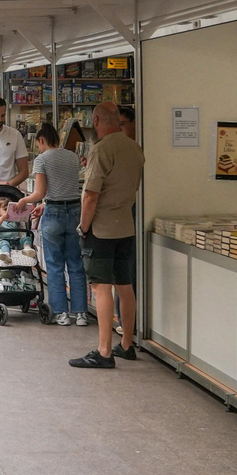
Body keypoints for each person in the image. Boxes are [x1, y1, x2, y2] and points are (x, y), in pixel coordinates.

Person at [69, 102, 144, 369]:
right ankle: (126, 344)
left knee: (101, 287)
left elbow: (90, 195)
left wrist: (83, 227)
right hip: (125, 225)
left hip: (101, 228)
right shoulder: (135, 148)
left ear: (98, 119)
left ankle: (103, 352)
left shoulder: (101, 150)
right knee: (125, 285)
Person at [20, 123, 86, 326]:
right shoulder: (72, 156)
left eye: (38, 144)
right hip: (75, 211)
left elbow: (40, 192)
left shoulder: (42, 160)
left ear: (41, 140)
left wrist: (24, 201)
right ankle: (81, 313)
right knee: (76, 264)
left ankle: (61, 313)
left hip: (54, 214)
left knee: (55, 264)